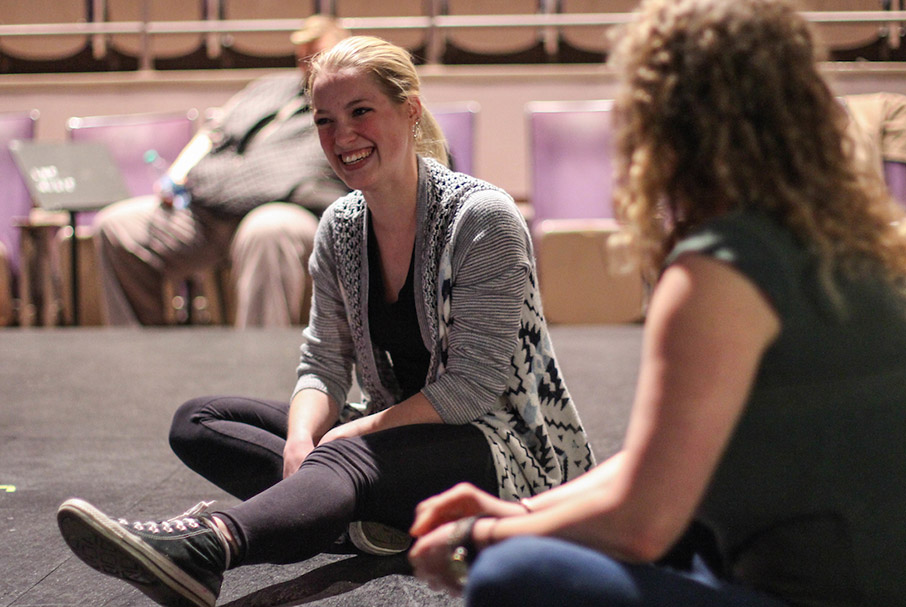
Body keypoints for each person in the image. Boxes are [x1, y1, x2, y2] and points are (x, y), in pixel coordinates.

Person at [56, 35, 595, 607]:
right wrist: (300, 438)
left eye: (361, 111)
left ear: (409, 111)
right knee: (198, 421)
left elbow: (474, 388)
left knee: (343, 453)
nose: (341, 137)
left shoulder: (482, 217)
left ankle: (209, 548)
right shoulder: (340, 224)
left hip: (497, 447)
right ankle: (362, 516)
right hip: (394, 432)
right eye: (324, 120)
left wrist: (347, 435)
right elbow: (322, 362)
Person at [408, 1, 906, 606]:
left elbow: (641, 525)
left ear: (665, 119)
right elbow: (664, 461)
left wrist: (478, 537)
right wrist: (524, 507)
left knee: (509, 573)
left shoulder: (717, 270)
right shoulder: (853, 241)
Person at [92, 15, 350, 328]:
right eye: (303, 56)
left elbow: (300, 174)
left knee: (267, 230)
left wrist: (222, 181)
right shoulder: (267, 89)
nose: (309, 65)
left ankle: (257, 362)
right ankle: (139, 353)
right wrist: (184, 177)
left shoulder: (345, 105)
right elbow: (212, 139)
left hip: (287, 210)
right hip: (211, 208)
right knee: (117, 226)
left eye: (318, 55)